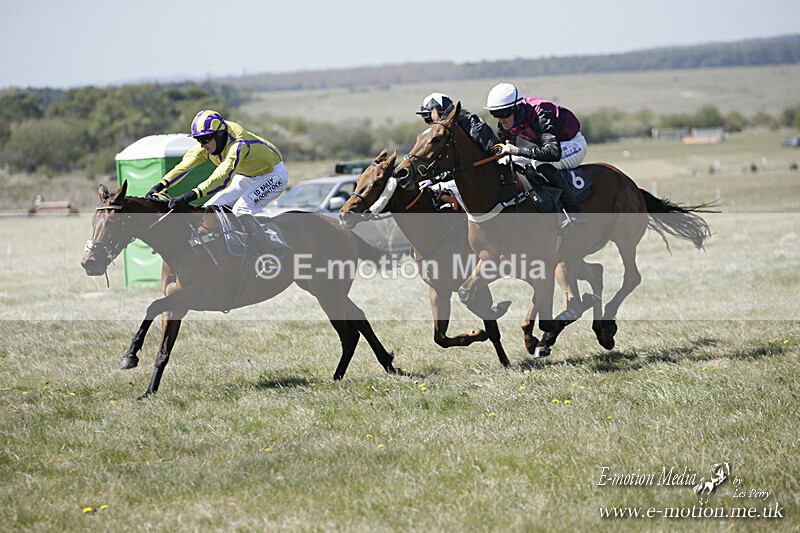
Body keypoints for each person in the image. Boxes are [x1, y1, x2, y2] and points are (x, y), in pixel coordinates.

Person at [146, 109, 287, 254]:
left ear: (219, 135)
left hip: (272, 175)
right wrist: (160, 185)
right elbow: (184, 166)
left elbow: (221, 178)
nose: (202, 144)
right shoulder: (208, 143)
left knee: (241, 210)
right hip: (247, 175)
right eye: (198, 140)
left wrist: (187, 197)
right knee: (209, 210)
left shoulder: (239, 144)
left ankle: (267, 255)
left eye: (205, 139)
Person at [485, 83, 587, 226]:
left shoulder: (541, 112)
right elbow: (505, 152)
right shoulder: (507, 121)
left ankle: (574, 211)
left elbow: (552, 153)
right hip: (550, 147)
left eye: (503, 114)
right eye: (495, 114)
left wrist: (517, 150)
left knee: (538, 163)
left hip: (573, 144)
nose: (501, 119)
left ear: (516, 108)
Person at [416, 92, 500, 209]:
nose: (431, 124)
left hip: (485, 181)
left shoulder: (471, 122)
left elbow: (494, 151)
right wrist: (433, 180)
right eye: (426, 119)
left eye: (428, 118)